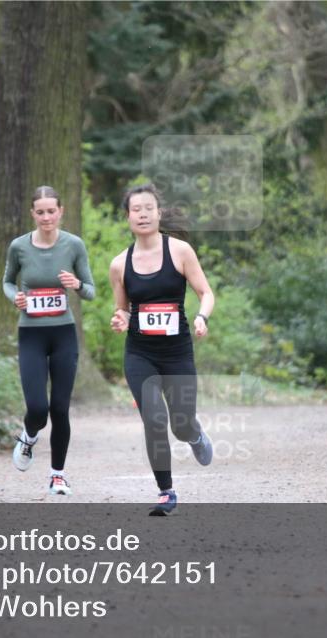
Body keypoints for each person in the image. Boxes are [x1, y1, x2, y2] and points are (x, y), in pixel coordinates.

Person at [108, 183, 214, 516]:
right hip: (139, 353)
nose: (142, 214)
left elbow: (206, 293)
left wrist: (201, 317)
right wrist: (120, 318)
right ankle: (166, 491)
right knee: (154, 419)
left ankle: (194, 434)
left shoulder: (180, 251)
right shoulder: (119, 264)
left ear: (158, 213)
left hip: (177, 352)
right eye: (135, 209)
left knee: (180, 424)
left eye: (148, 208)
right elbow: (123, 308)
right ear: (127, 217)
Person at [3, 185, 95, 495]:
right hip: (31, 333)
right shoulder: (18, 246)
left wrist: (77, 283)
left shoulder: (74, 245)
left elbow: (91, 291)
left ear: (61, 212)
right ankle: (29, 436)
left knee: (59, 407)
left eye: (51, 211)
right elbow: (6, 282)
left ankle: (58, 474)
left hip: (63, 333)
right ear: (32, 213)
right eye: (40, 212)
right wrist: (16, 296)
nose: (46, 217)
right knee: (38, 407)